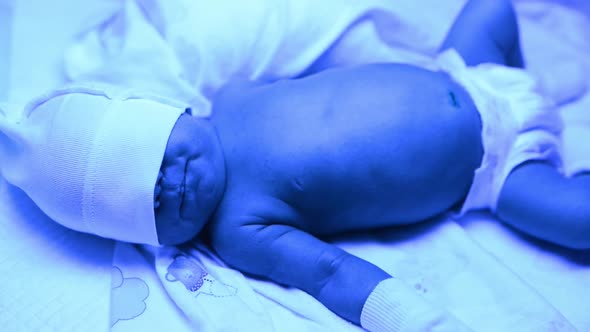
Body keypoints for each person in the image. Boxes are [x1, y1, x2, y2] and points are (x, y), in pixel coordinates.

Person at [0, 0, 588, 331]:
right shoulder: (239, 229)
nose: (169, 187)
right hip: (500, 169)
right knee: (576, 220)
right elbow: (330, 274)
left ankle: (542, 75)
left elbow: (323, 63)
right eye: (148, 206)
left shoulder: (230, 94)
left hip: (464, 68)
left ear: (168, 110)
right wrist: (410, 319)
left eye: (156, 156)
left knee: (494, 6)